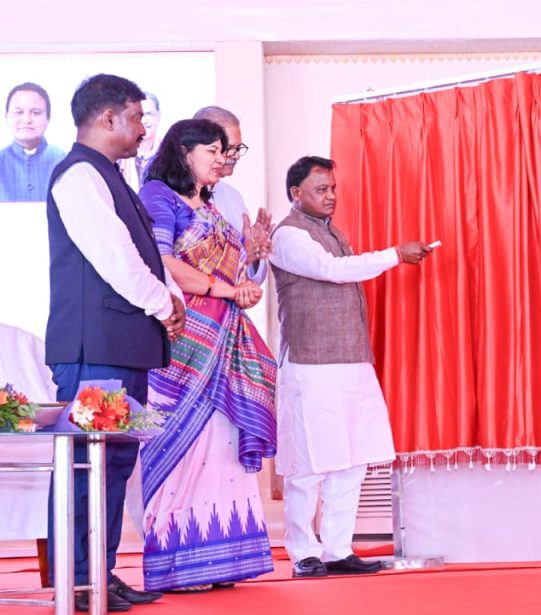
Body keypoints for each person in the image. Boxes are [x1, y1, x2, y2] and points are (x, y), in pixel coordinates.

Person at [45, 73, 183, 613]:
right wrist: (163, 304)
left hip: (120, 347)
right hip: (95, 351)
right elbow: (114, 258)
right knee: (88, 467)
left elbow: (144, 253)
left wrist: (170, 298)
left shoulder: (111, 174)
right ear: (108, 118)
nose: (144, 129)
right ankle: (78, 582)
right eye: (138, 117)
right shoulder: (80, 174)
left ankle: (98, 575)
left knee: (114, 465)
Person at [269, 156, 431, 578]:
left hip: (352, 362)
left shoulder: (331, 231)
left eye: (333, 188)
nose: (331, 196)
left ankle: (337, 550)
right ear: (296, 194)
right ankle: (303, 552)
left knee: (352, 460)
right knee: (310, 465)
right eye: (321, 189)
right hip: (311, 365)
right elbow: (332, 271)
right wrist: (395, 254)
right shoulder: (288, 234)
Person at [137, 118, 277, 592]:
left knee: (220, 447)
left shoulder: (213, 205)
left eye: (225, 152)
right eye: (214, 151)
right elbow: (161, 264)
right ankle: (178, 564)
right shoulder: (158, 196)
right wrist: (226, 289)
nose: (222, 160)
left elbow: (236, 277)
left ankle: (222, 560)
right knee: (183, 449)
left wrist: (251, 259)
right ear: (184, 152)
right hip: (183, 344)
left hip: (224, 341)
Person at [193, 105, 271, 284]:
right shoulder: (173, 195)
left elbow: (251, 281)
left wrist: (254, 252)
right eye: (229, 148)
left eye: (239, 148)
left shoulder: (233, 196)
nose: (236, 156)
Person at [1, 82, 67, 202]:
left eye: (36, 113)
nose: (26, 120)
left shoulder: (64, 161)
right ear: (6, 116)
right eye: (19, 112)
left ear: (48, 118)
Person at [117, 91, 161, 191]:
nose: (144, 121)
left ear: (158, 116)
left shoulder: (172, 155)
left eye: (149, 114)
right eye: (138, 115)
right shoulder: (118, 158)